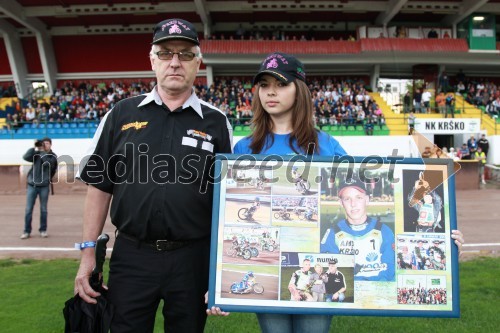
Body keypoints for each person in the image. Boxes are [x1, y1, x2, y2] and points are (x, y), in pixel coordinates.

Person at [74, 18, 232, 332]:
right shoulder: (120, 114)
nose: (175, 62)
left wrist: (222, 270)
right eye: (165, 53)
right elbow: (99, 188)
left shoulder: (217, 122)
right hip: (132, 257)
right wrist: (87, 254)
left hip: (192, 260)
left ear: (197, 63)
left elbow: (227, 200)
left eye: (185, 54)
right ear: (152, 60)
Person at [233, 52, 346, 333]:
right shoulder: (244, 149)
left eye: (281, 84)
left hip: (315, 261)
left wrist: (440, 235)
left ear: (300, 90)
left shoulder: (327, 145)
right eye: (264, 84)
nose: (271, 91)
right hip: (268, 264)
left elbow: (349, 200)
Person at [320, 176, 396, 281]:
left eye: (358, 198)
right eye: (347, 199)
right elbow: (330, 274)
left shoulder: (384, 231)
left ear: (367, 200)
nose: (353, 204)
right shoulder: (333, 233)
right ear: (341, 203)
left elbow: (391, 271)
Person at [21, 137, 57, 239]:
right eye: (43, 143)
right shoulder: (36, 153)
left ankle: (43, 230)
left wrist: (42, 152)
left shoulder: (52, 156)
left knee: (43, 209)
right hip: (32, 185)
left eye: (47, 143)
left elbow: (47, 163)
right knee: (28, 209)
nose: (45, 145)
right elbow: (26, 157)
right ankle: (26, 231)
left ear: (50, 145)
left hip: (44, 186)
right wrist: (34, 147)